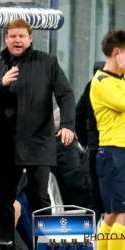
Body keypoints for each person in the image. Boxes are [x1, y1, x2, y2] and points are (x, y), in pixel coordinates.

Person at [0, 18, 75, 248]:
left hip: (38, 142)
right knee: (3, 197)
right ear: (6, 39)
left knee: (39, 196)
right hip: (3, 144)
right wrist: (0, 83)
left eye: (21, 36)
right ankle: (6, 241)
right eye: (12, 36)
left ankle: (47, 242)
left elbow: (66, 95)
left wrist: (68, 124)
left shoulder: (48, 62)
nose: (17, 40)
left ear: (30, 38)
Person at [90, 29, 125, 250]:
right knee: (122, 213)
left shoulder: (120, 80)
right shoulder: (102, 81)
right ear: (116, 53)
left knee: (113, 214)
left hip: (118, 153)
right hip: (114, 152)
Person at [75, 61, 105, 223]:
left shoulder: (90, 87)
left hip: (95, 145)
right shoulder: (117, 86)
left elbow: (78, 116)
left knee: (95, 194)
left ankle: (90, 236)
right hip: (115, 146)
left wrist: (85, 141)